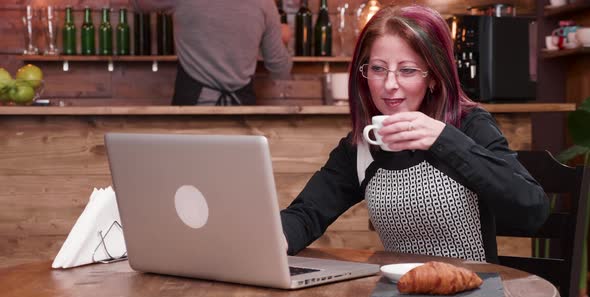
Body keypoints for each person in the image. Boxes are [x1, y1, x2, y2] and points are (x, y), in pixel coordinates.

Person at [280, 4, 549, 263]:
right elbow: (306, 213)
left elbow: (532, 211)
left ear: (433, 76)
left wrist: (444, 140)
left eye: (407, 70)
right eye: (377, 68)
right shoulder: (363, 144)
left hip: (474, 295)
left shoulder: (469, 125)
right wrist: (277, 238)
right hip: (399, 296)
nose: (389, 84)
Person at [132, 0, 292, 105]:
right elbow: (280, 70)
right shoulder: (264, 3)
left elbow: (137, 4)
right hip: (242, 117)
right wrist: (282, 38)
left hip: (191, 113)